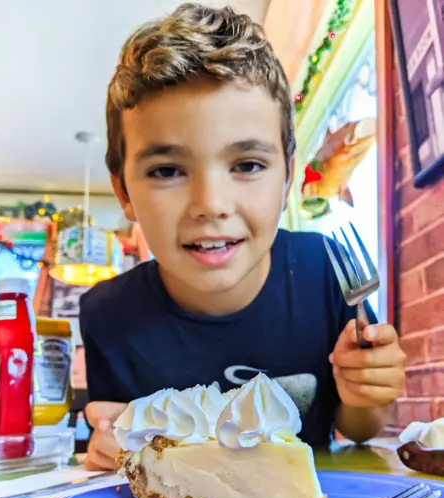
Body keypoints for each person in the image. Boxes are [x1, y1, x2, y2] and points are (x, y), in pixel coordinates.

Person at [80, 3, 406, 471]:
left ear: (287, 177)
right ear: (124, 192)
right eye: (167, 170)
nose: (211, 203)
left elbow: (358, 427)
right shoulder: (107, 314)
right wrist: (110, 444)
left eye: (248, 165)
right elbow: (113, 434)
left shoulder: (325, 271)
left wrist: (367, 389)